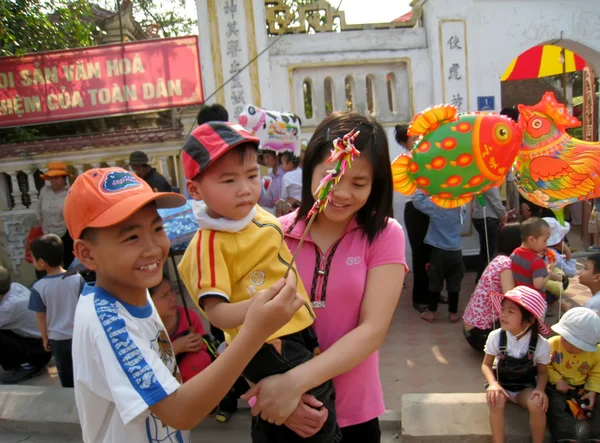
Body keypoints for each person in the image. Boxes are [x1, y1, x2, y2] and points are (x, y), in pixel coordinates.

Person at [64, 166, 303, 442]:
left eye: (157, 228)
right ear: (86, 253)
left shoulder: (135, 293)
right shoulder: (107, 322)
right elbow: (178, 411)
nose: (153, 247)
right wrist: (255, 332)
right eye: (131, 237)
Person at [244, 112, 407, 443]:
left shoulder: (384, 235)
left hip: (353, 413)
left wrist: (294, 384)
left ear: (376, 184)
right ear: (310, 172)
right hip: (280, 412)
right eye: (331, 176)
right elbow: (244, 327)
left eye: (359, 183)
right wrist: (278, 397)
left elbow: (372, 331)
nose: (342, 193)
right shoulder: (272, 235)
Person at [178, 121, 340, 442]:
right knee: (313, 406)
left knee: (288, 414)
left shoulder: (256, 214)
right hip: (266, 342)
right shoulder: (209, 243)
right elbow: (218, 314)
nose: (245, 188)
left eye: (252, 176)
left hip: (296, 327)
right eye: (228, 180)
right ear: (195, 189)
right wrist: (259, 306)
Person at [482, 286, 551, 443]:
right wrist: (492, 384)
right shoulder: (496, 336)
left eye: (511, 311)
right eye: (503, 309)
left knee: (537, 404)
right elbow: (486, 365)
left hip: (524, 389)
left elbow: (543, 372)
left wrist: (540, 390)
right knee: (495, 400)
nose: (503, 315)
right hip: (502, 386)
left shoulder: (541, 344)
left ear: (529, 320)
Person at [27, 234, 84, 388]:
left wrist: (44, 338)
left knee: (66, 374)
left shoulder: (38, 287)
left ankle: (69, 400)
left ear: (41, 262)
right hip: (78, 335)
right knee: (83, 370)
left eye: (33, 258)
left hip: (57, 339)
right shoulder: (77, 279)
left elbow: (40, 316)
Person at [463, 223, 521, 352]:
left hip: (473, 329)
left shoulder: (498, 259)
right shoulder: (506, 263)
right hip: (479, 333)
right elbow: (511, 297)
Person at [546, 307, 600, 441]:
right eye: (564, 339)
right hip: (556, 388)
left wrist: (592, 390)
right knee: (557, 407)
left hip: (583, 387)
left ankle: (595, 436)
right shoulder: (552, 344)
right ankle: (566, 438)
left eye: (576, 345)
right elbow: (544, 365)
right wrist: (557, 380)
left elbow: (596, 372)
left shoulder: (596, 353)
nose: (567, 345)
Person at [412, 190, 464, 323]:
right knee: (454, 284)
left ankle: (431, 312)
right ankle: (453, 313)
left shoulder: (436, 206)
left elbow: (417, 200)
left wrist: (428, 187)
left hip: (439, 252)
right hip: (457, 251)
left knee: (434, 283)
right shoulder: (461, 207)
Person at [148, 278, 211, 383]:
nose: (172, 298)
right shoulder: (145, 328)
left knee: (199, 359)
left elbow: (204, 342)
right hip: (163, 381)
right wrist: (175, 348)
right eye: (164, 295)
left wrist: (199, 343)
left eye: (172, 291)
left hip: (190, 375)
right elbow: (149, 367)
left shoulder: (188, 317)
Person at [396, 125, 429, 312]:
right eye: (412, 138)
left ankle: (432, 293)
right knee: (420, 253)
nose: (418, 139)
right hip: (415, 210)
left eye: (418, 136)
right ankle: (420, 297)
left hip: (431, 209)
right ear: (403, 143)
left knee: (433, 252)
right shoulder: (407, 161)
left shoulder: (427, 156)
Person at [0, 266, 52, 384]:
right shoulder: (15, 287)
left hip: (38, 351)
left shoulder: (9, 307)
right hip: (43, 344)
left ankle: (27, 366)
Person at [37, 161, 74, 269]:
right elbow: (38, 208)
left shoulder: (70, 192)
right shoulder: (44, 191)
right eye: (52, 178)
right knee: (48, 263)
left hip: (66, 233)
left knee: (68, 263)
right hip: (47, 232)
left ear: (64, 178)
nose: (54, 181)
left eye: (57, 177)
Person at [472, 188, 507, 282]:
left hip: (479, 216)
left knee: (485, 250)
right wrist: (503, 215)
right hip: (488, 217)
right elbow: (495, 200)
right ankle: (485, 279)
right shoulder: (491, 181)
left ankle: (481, 277)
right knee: (490, 251)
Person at [511, 217, 554, 292]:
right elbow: (538, 285)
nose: (546, 244)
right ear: (531, 239)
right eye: (544, 240)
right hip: (534, 300)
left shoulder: (515, 252)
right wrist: (550, 270)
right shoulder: (536, 261)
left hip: (517, 297)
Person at [499, 108, 520, 213]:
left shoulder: (515, 133)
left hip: (511, 178)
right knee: (510, 209)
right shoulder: (502, 133)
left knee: (511, 209)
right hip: (508, 179)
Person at [277, 151, 302, 216]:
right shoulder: (302, 172)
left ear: (290, 164)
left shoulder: (286, 176)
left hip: (292, 204)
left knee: (279, 206)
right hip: (303, 201)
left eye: (282, 163)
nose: (281, 166)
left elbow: (284, 196)